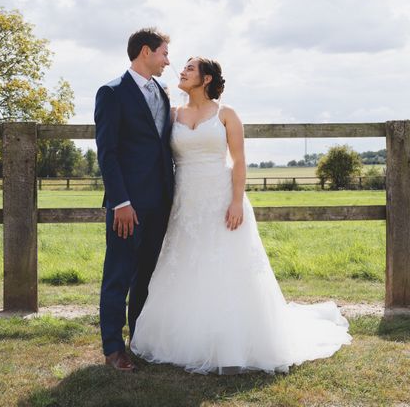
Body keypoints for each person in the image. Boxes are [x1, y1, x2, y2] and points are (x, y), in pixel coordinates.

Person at [130, 57, 352, 374]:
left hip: (222, 199)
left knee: (226, 267)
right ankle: (187, 337)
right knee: (186, 264)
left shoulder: (227, 114)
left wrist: (236, 202)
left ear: (206, 79)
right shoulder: (172, 113)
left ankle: (231, 341)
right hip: (185, 201)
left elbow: (239, 161)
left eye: (190, 69)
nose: (182, 71)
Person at [94, 28, 175, 372]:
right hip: (127, 206)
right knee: (119, 275)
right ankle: (113, 348)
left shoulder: (163, 92)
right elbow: (108, 153)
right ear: (146, 51)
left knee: (146, 276)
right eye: (164, 53)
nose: (168, 61)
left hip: (160, 203)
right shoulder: (112, 93)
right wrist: (121, 202)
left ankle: (139, 339)